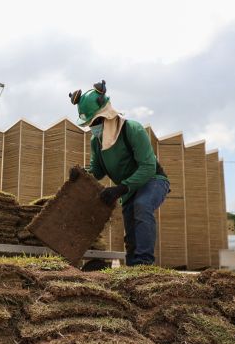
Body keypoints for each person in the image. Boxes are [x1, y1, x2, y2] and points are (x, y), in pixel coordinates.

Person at [68, 80, 169, 266]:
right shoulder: (96, 142)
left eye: (96, 122)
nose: (93, 127)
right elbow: (97, 171)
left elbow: (147, 167)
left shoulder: (132, 130)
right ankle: (132, 268)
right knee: (130, 225)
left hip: (153, 180)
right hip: (128, 188)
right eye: (90, 124)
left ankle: (144, 264)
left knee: (142, 205)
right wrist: (81, 173)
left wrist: (120, 189)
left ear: (107, 116)